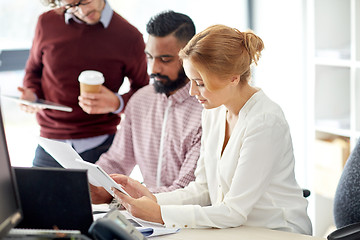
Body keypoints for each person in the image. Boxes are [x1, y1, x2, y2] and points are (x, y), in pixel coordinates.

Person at [110, 25, 313, 235]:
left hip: (277, 231)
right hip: (235, 228)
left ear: (233, 78)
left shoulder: (264, 122)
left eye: (200, 83)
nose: (191, 91)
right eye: (191, 81)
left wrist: (159, 213)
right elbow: (204, 189)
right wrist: (150, 200)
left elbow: (234, 211)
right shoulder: (214, 111)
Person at [18, 0, 149, 167]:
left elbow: (144, 92)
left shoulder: (130, 37)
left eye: (86, 1)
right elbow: (33, 71)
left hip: (101, 146)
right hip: (50, 143)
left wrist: (118, 102)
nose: (82, 11)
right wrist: (32, 94)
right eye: (71, 6)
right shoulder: (46, 22)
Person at [90, 10, 202, 203]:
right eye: (150, 57)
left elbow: (185, 190)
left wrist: (123, 198)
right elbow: (116, 161)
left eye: (165, 59)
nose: (154, 69)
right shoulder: (140, 100)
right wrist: (85, 182)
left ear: (190, 56)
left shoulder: (206, 110)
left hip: (185, 218)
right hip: (142, 215)